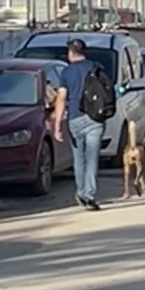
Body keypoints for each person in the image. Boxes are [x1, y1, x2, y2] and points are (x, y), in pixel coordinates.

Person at [53, 38, 103, 211]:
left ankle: (81, 192)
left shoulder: (67, 73)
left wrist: (57, 125)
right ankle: (90, 194)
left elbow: (61, 98)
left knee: (79, 158)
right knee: (92, 158)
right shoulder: (96, 68)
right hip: (95, 119)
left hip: (75, 118)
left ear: (71, 53)